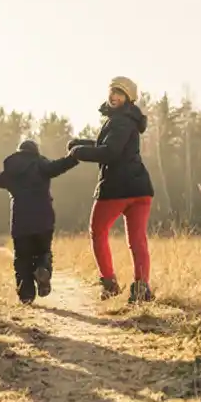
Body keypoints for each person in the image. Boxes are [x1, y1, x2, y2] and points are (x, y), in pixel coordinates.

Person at [67, 76, 156, 304]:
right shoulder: (127, 120)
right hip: (140, 189)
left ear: (129, 98)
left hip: (117, 188)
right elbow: (109, 146)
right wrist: (81, 144)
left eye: (120, 93)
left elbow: (110, 152)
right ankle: (142, 287)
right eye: (113, 91)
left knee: (98, 232)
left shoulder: (120, 121)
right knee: (138, 241)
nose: (115, 96)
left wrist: (79, 152)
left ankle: (109, 284)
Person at [0, 139, 79, 304]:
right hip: (44, 216)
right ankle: (42, 267)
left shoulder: (11, 169)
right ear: (35, 151)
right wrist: (74, 157)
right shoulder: (40, 163)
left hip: (21, 219)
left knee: (22, 258)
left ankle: (26, 295)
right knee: (43, 251)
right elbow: (59, 166)